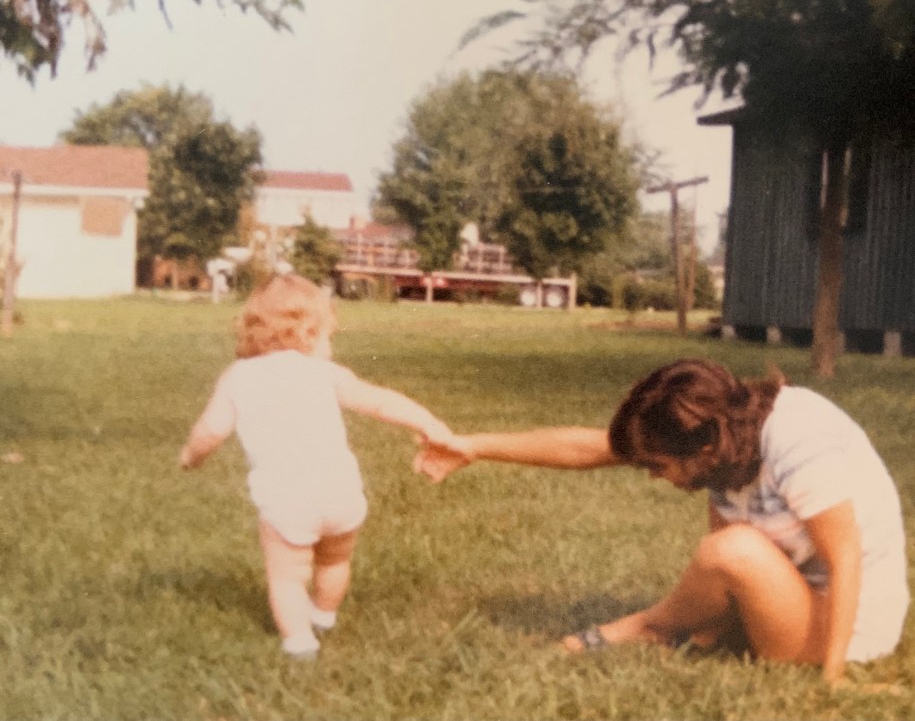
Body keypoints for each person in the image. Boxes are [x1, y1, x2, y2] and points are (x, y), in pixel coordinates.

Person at [414, 359, 909, 684]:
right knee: (729, 548)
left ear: (705, 446)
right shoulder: (720, 430)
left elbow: (845, 560)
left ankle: (651, 626)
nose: (653, 478)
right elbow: (590, 447)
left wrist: (830, 682)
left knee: (731, 548)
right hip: (796, 600)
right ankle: (682, 628)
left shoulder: (798, 439)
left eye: (658, 467)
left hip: (851, 626)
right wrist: (473, 446)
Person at [180, 274, 459, 659]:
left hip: (287, 501)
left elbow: (210, 431)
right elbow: (379, 401)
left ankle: (299, 641)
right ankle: (324, 615)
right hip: (341, 495)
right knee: (335, 561)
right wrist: (429, 423)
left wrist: (190, 458)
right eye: (329, 335)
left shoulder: (238, 378)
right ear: (309, 333)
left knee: (287, 576)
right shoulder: (326, 374)